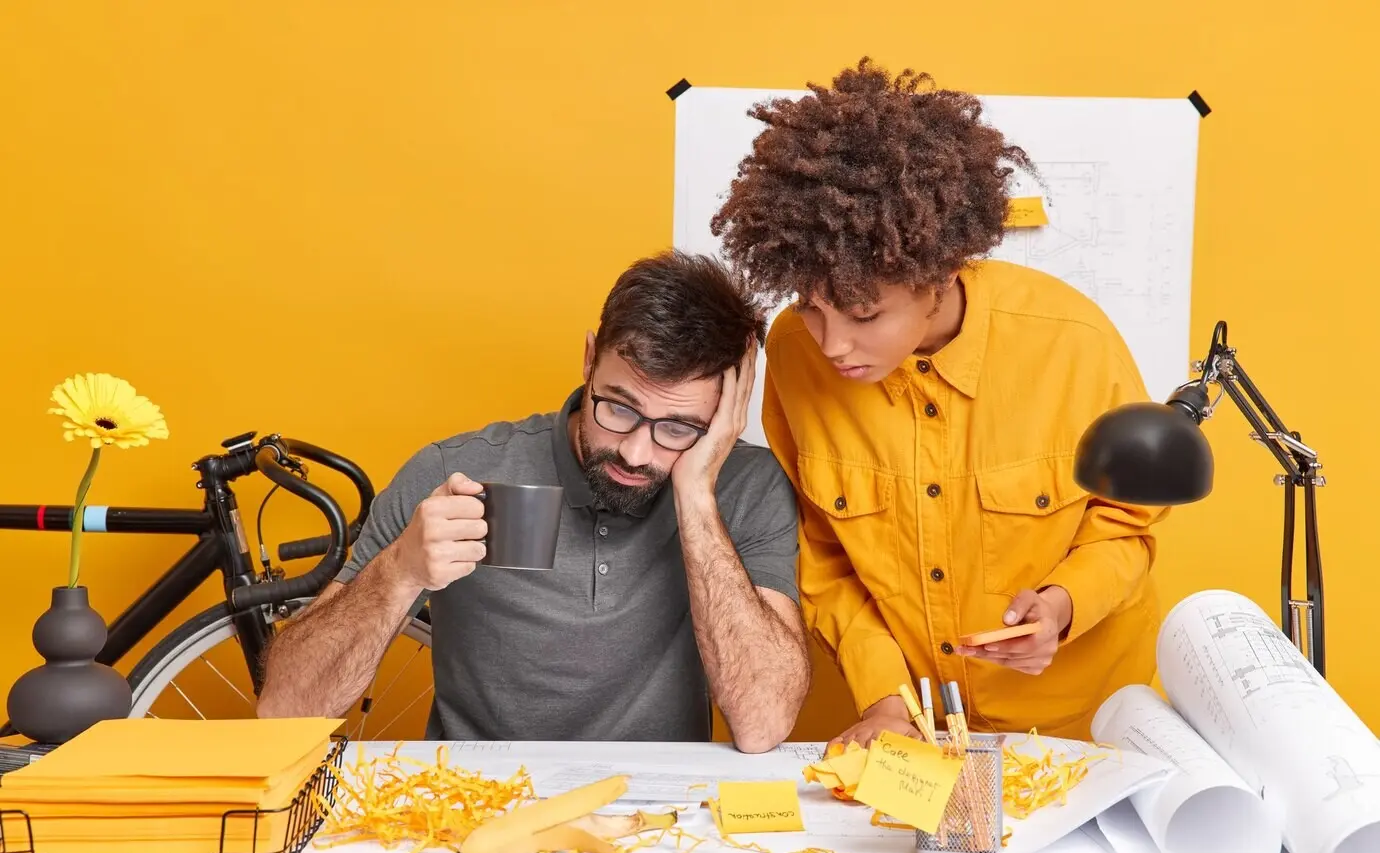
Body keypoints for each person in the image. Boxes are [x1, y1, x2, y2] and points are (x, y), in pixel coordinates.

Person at [709, 58, 1170, 745]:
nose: (832, 344)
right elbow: (823, 556)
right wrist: (886, 698)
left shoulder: (1073, 343)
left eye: (865, 315)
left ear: (941, 274)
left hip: (1081, 729)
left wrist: (1064, 607)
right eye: (810, 307)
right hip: (914, 730)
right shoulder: (796, 356)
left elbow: (1128, 524)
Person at [256, 250, 812, 753]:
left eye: (679, 426)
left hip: (659, 816)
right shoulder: (458, 471)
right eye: (618, 408)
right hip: (476, 802)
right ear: (590, 359)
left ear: (725, 413)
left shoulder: (746, 486)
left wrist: (695, 494)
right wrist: (397, 571)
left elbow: (764, 723)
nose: (637, 452)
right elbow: (284, 711)